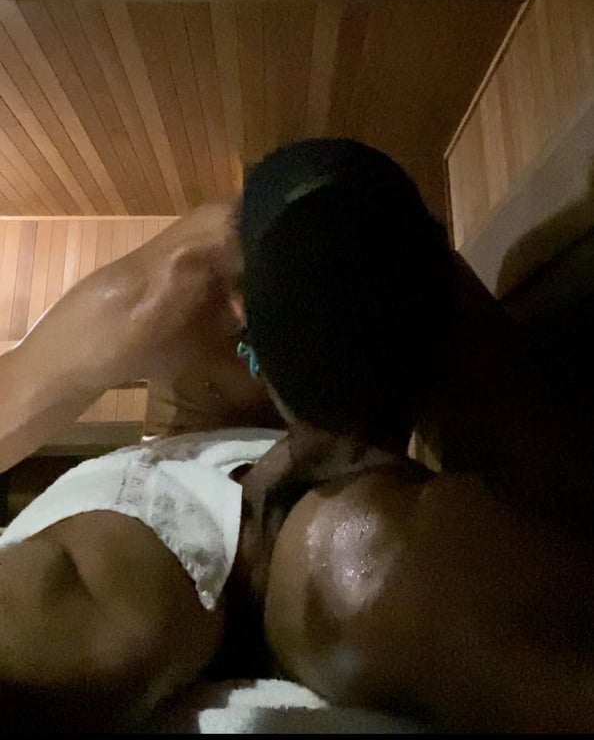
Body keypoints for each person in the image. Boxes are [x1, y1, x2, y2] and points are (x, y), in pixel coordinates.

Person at [0, 137, 593, 733]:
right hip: (176, 473)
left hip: (335, 512)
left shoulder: (420, 280)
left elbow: (547, 485)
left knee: (373, 567)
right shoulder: (165, 290)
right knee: (76, 603)